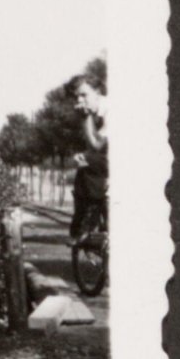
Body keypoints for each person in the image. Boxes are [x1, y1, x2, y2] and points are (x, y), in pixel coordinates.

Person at [70, 75, 108, 241]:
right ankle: (83, 219)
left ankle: (87, 220)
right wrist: (82, 157)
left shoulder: (111, 110)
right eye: (77, 96)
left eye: (84, 95)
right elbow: (93, 146)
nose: (79, 100)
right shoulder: (96, 112)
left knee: (88, 165)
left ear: (98, 93)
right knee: (83, 165)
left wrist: (85, 118)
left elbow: (97, 145)